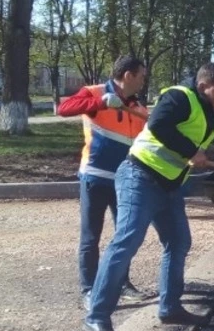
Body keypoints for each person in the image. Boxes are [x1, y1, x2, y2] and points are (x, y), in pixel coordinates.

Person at [83, 63, 214, 331]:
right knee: (127, 241)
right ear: (203, 87)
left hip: (169, 185)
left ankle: (170, 308)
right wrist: (192, 151)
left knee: (178, 242)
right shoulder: (179, 97)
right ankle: (98, 316)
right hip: (139, 177)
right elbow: (158, 125)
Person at [58, 55, 154, 311]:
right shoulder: (95, 92)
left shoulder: (136, 106)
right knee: (91, 237)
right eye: (142, 75)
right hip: (95, 176)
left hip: (125, 180)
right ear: (128, 75)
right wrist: (100, 102)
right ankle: (89, 289)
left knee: (124, 236)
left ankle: (122, 283)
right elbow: (64, 109)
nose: (144, 80)